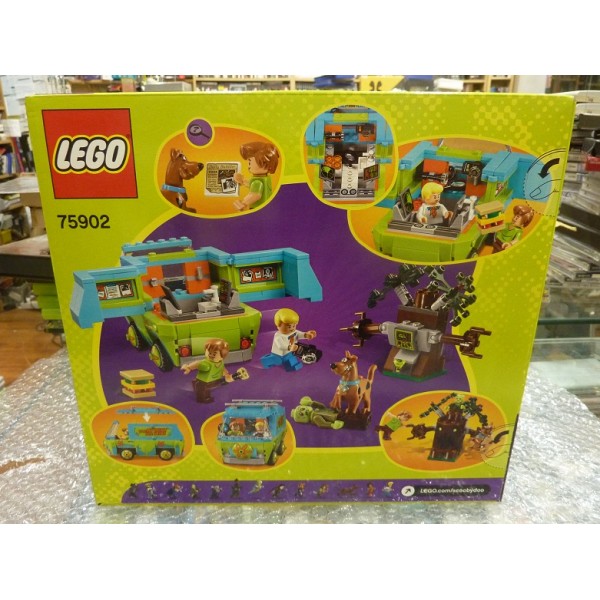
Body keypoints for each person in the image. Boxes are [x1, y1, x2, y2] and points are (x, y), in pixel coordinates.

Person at [181, 338, 232, 403]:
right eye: (209, 352)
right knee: (202, 390)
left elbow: (222, 369)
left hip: (214, 380)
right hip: (203, 381)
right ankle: (201, 399)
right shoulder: (206, 363)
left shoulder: (220, 362)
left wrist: (226, 374)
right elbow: (197, 364)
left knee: (206, 389)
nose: (211, 355)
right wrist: (189, 367)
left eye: (214, 354)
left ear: (223, 356)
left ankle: (198, 387)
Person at [233, 141, 280, 211]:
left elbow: (255, 195)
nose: (248, 166)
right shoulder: (265, 178)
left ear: (263, 162)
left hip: (257, 208)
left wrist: (243, 203)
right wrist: (243, 181)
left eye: (250, 162)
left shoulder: (258, 182)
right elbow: (252, 185)